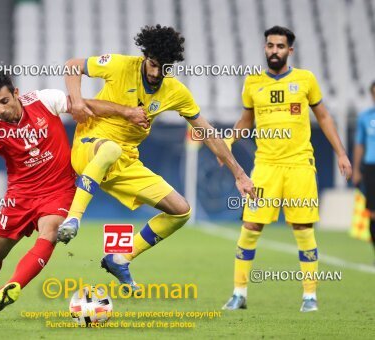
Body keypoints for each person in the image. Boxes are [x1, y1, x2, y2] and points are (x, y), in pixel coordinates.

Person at [0, 73, 147, 319]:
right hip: (20, 197)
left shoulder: (44, 100)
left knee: (50, 232)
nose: (0, 109)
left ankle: (14, 285)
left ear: (16, 93)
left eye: (4, 101)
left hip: (58, 190)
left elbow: (86, 104)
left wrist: (127, 113)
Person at [57, 24, 255, 294]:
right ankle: (73, 219)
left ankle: (120, 258)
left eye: (163, 67)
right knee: (110, 149)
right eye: (151, 63)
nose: (154, 72)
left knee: (181, 210)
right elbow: (72, 65)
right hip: (89, 146)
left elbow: (206, 131)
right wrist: (78, 102)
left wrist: (239, 174)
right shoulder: (118, 65)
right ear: (144, 56)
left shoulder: (175, 92)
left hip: (126, 160)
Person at [220, 26, 352, 312]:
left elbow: (325, 117)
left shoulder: (305, 80)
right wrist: (227, 143)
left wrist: (341, 153)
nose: (274, 51)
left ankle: (309, 297)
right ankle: (239, 293)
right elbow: (245, 121)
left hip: (299, 165)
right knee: (251, 226)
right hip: (265, 166)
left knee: (303, 227)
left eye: (280, 46)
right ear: (265, 48)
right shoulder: (253, 82)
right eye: (270, 45)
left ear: (289, 50)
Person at [353, 81, 375, 260]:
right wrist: (357, 169)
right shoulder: (365, 117)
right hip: (371, 167)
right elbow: (360, 144)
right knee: (373, 212)